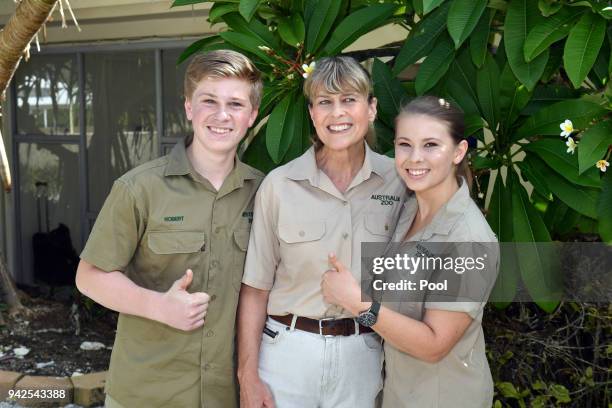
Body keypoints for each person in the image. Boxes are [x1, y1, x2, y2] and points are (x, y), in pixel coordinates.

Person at [75, 50, 264, 408]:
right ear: (189, 107)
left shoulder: (265, 193)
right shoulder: (139, 189)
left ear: (252, 115)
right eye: (209, 101)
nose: (222, 115)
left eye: (236, 104)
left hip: (229, 394)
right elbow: (90, 276)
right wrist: (159, 306)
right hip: (148, 393)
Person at [237, 56, 407, 408]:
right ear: (312, 114)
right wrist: (247, 376)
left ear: (372, 108)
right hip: (287, 353)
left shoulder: (401, 182)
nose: (337, 113)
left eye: (349, 100)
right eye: (325, 102)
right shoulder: (279, 185)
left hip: (363, 353)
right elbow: (255, 291)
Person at [321, 96, 499, 407]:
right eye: (405, 144)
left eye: (431, 145)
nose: (414, 158)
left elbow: (434, 345)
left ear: (459, 152)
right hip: (399, 393)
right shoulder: (408, 207)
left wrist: (357, 302)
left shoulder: (468, 239)